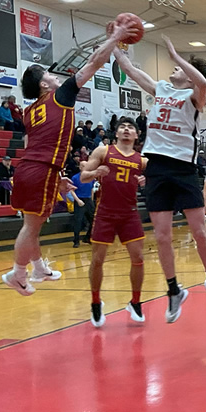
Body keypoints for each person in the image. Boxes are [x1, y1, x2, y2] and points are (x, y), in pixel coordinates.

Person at [1, 18, 139, 296]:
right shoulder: (60, 96)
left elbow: (36, 142)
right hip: (40, 169)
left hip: (31, 168)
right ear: (44, 84)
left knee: (32, 224)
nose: (55, 76)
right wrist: (115, 38)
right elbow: (94, 62)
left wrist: (57, 176)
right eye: (49, 75)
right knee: (31, 227)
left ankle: (38, 268)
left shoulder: (29, 111)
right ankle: (17, 273)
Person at [111, 35, 206, 323]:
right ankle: (173, 289)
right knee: (162, 236)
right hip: (156, 168)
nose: (173, 70)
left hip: (183, 169)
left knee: (199, 232)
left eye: (178, 69)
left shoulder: (194, 97)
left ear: (188, 74)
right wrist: (114, 42)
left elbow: (203, 83)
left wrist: (176, 56)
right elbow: (130, 69)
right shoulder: (161, 88)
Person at [80, 116, 148, 327]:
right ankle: (96, 301)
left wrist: (146, 181)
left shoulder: (142, 160)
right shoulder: (103, 151)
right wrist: (95, 172)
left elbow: (157, 181)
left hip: (129, 213)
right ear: (116, 133)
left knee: (138, 258)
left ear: (136, 135)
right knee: (98, 259)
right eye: (122, 127)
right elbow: (83, 176)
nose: (126, 129)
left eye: (130, 127)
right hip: (105, 212)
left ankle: (135, 302)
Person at [70, 161, 95, 247]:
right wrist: (78, 200)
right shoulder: (75, 178)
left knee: (93, 220)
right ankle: (76, 241)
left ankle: (87, 237)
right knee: (78, 221)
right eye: (83, 166)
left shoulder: (91, 177)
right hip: (79, 199)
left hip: (88, 200)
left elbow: (92, 189)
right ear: (80, 167)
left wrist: (91, 200)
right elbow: (71, 190)